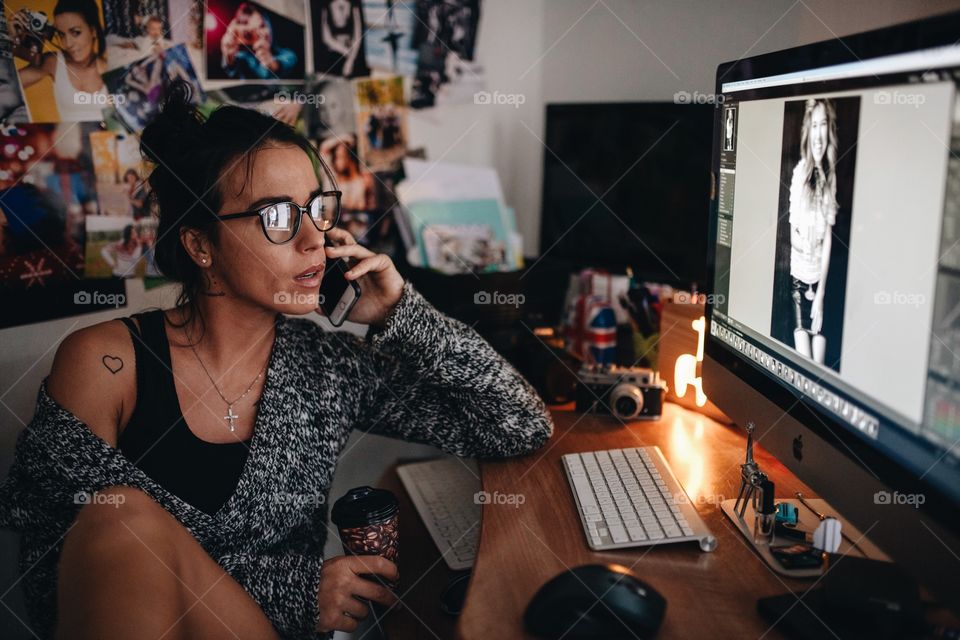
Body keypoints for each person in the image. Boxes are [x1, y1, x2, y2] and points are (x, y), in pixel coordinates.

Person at [0, 81, 553, 639]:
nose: (315, 238)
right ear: (200, 245)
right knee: (120, 514)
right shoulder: (106, 362)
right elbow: (55, 573)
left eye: (317, 208)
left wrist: (401, 314)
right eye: (278, 218)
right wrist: (294, 592)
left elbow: (517, 425)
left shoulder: (329, 368)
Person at [788, 98, 838, 365]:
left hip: (819, 281)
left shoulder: (831, 178)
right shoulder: (799, 174)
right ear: (808, 131)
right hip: (799, 279)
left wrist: (820, 295)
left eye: (823, 125)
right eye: (814, 125)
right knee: (803, 360)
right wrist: (802, 243)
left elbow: (828, 237)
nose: (818, 134)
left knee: (818, 364)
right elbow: (792, 231)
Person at [11, 0, 109, 122]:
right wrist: (8, 40)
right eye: (62, 35)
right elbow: (6, 88)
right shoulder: (54, 62)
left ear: (93, 30)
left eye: (76, 32)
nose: (68, 44)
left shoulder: (111, 67)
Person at [220, 2, 298, 80]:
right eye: (249, 33)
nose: (262, 33)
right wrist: (228, 57)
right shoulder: (242, 58)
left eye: (262, 25)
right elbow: (231, 69)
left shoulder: (287, 54)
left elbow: (286, 62)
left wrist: (273, 64)